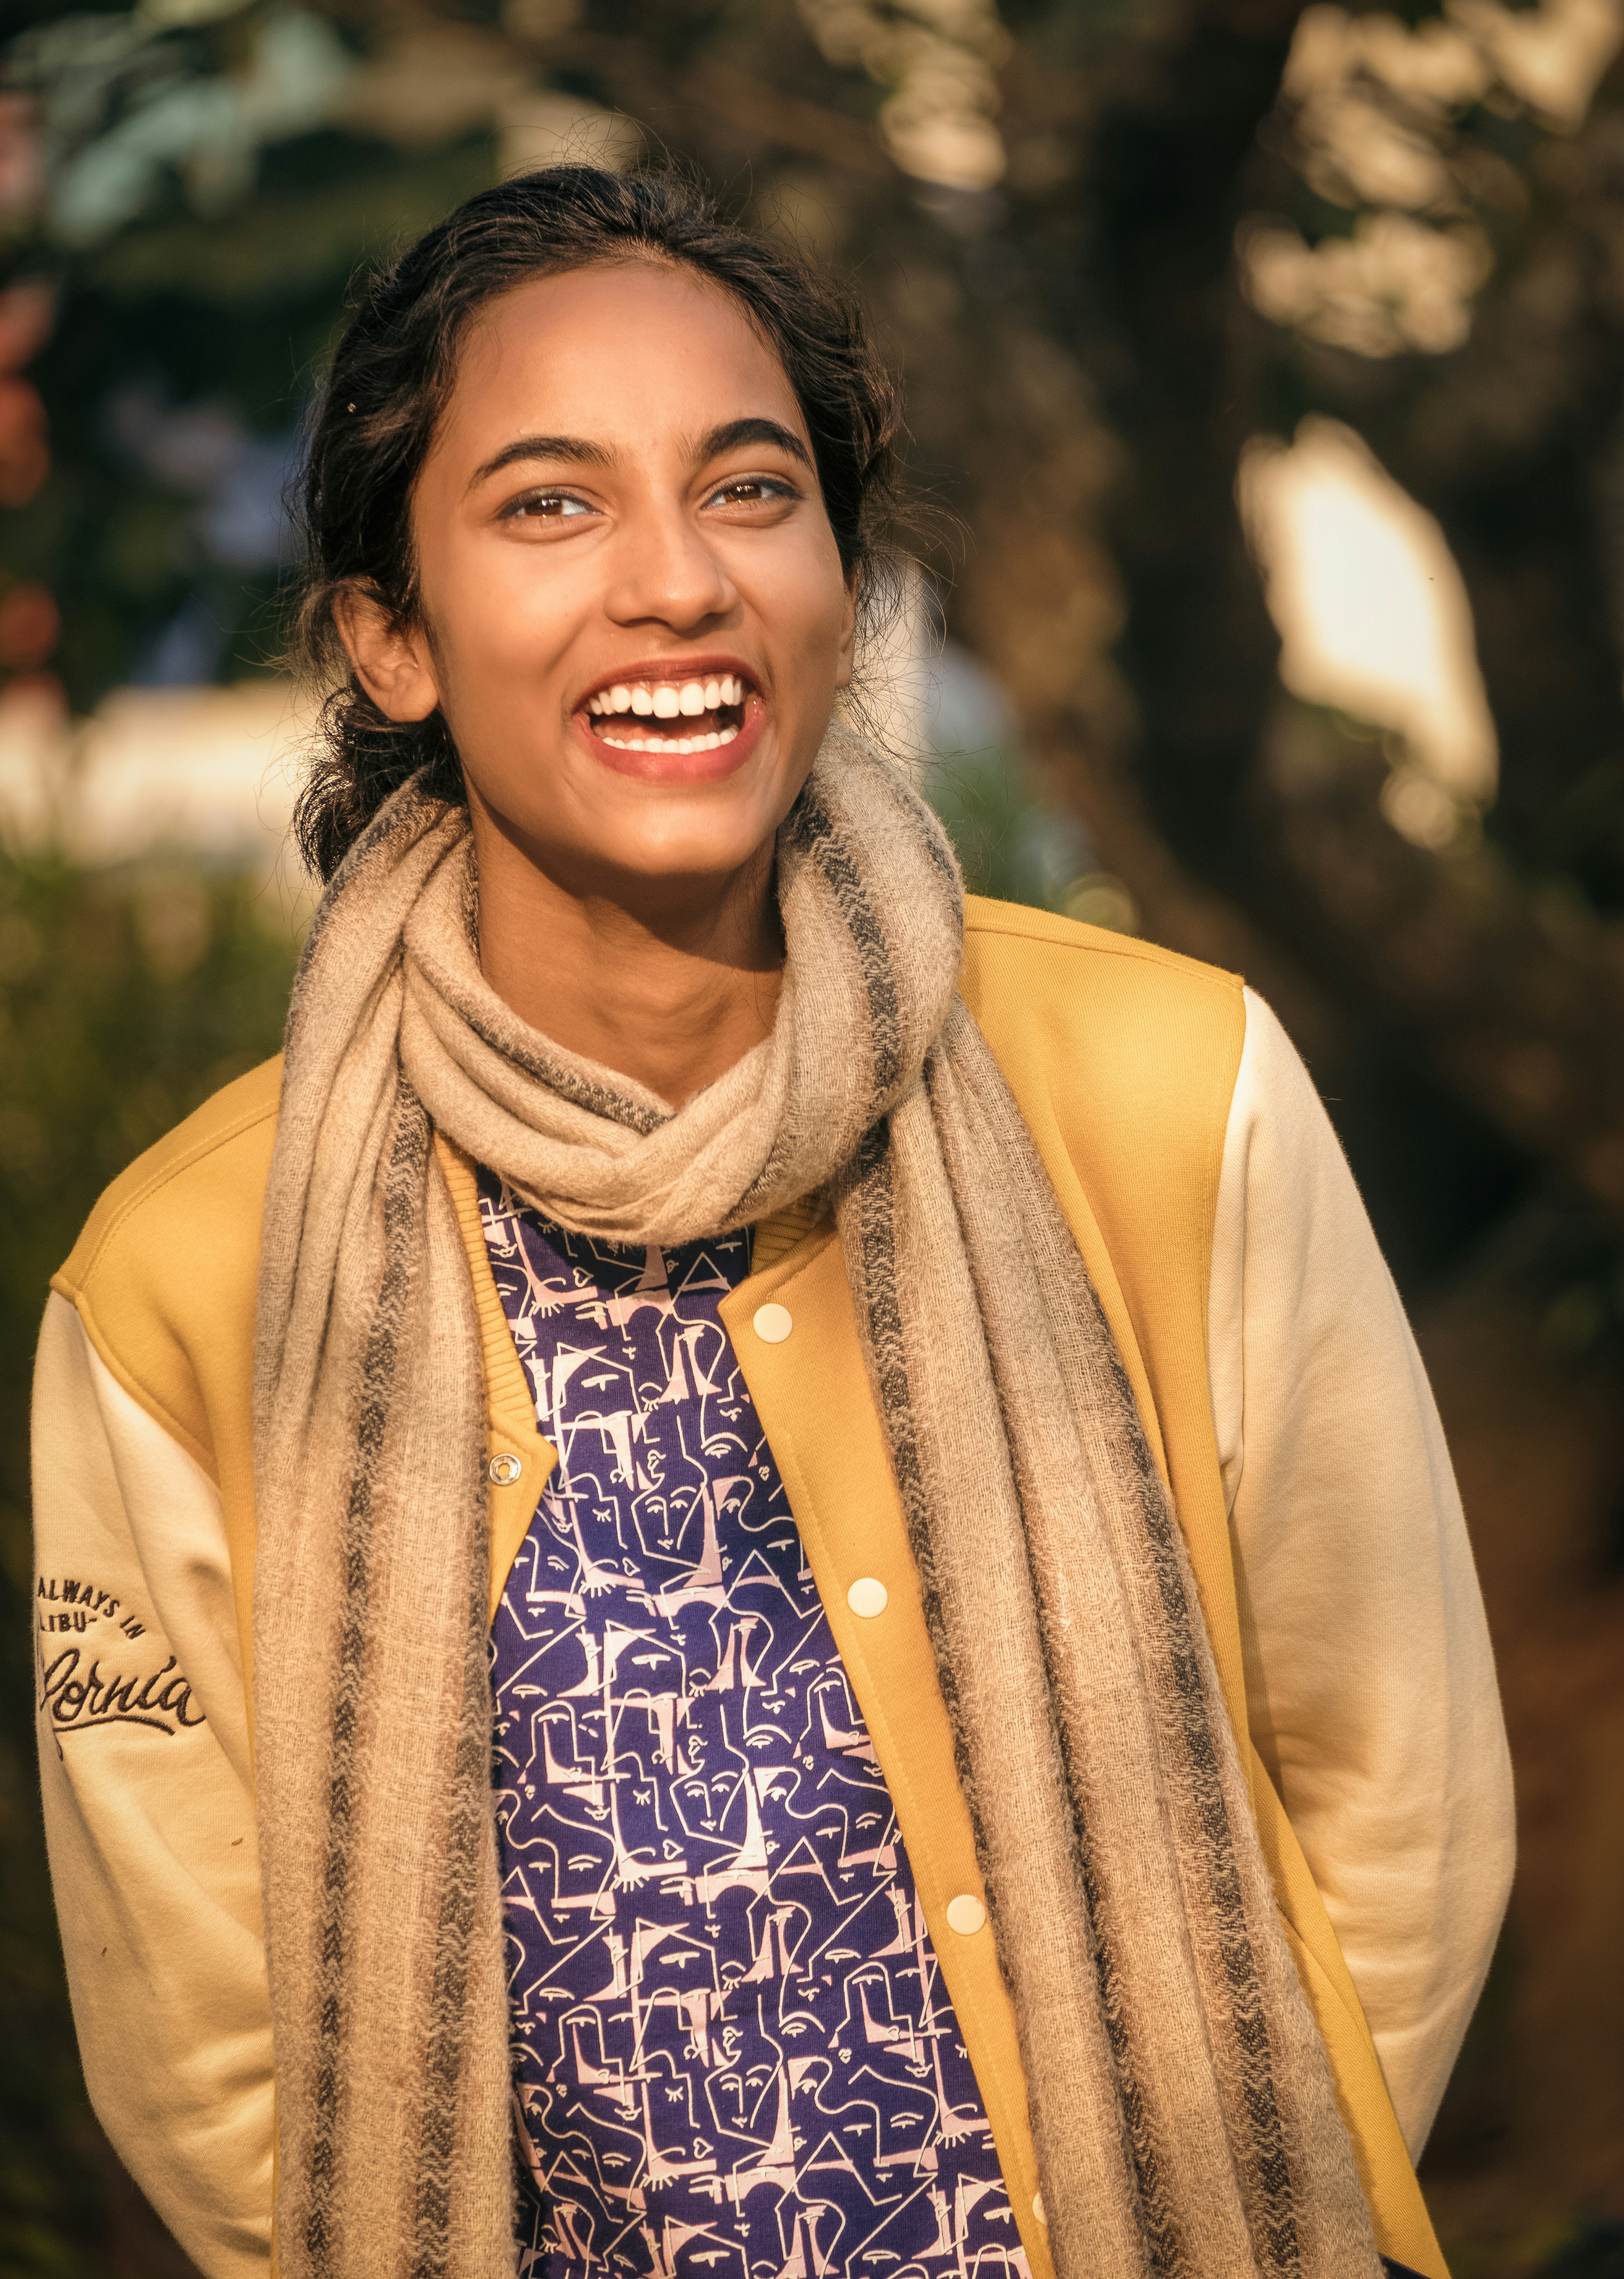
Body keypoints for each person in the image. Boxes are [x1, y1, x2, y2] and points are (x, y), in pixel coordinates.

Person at [32, 165, 1513, 2279]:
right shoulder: (188, 1286)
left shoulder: (1180, 1094)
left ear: (840, 568)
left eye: (750, 490)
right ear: (390, 631)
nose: (676, 586)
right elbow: (215, 2065)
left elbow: (1398, 1813)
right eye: (550, 505)